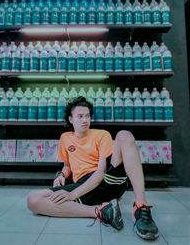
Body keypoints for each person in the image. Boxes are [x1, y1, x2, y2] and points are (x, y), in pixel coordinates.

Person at [27, 96, 159, 240]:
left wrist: (72, 195)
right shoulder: (65, 138)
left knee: (124, 135)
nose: (85, 120)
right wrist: (61, 175)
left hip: (107, 181)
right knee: (33, 200)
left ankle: (141, 207)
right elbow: (67, 166)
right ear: (71, 119)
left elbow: (101, 172)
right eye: (80, 116)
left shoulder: (102, 135)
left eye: (88, 116)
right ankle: (101, 211)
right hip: (83, 186)